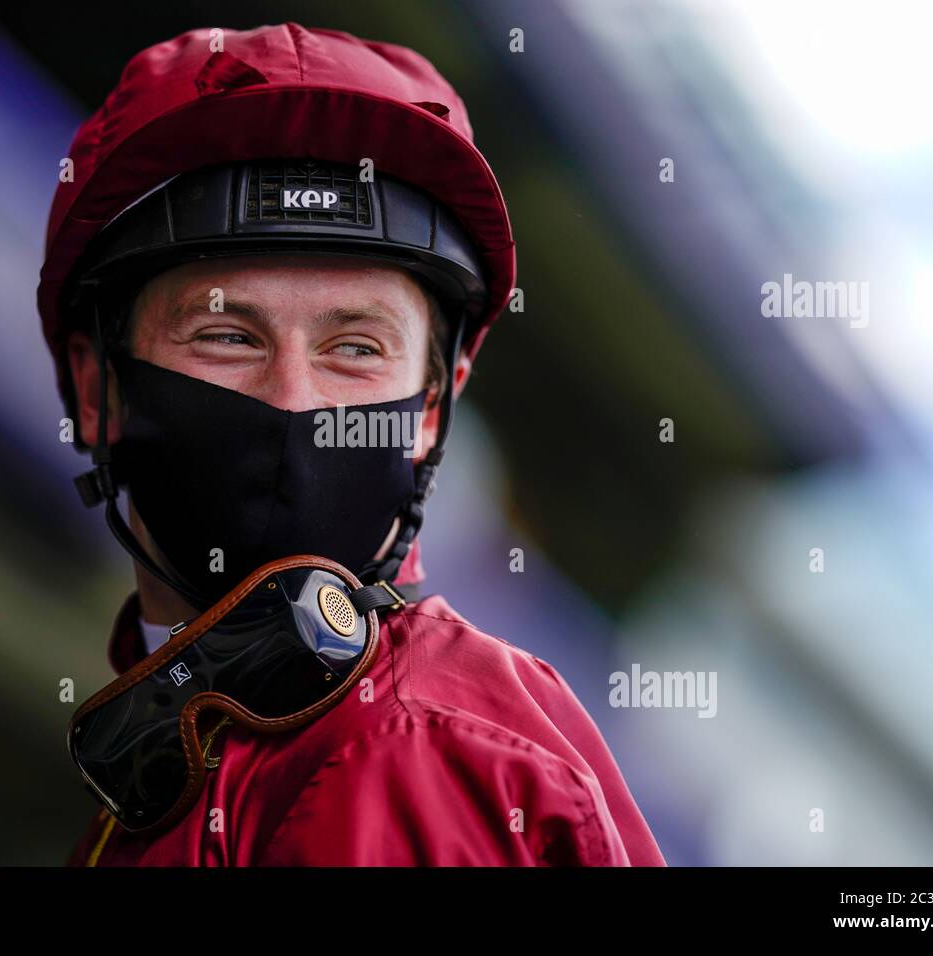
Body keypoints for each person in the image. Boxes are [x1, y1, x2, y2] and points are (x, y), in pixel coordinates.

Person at [38, 22, 666, 866]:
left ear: (432, 410)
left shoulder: (413, 756)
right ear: (95, 388)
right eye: (227, 335)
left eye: (356, 349)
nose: (296, 401)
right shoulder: (180, 754)